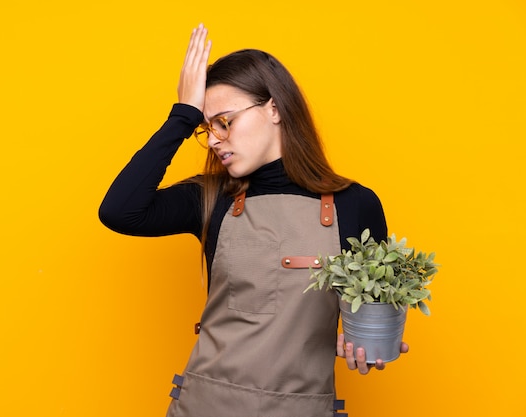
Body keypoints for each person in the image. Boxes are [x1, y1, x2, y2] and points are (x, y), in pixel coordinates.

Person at [99, 24, 408, 417]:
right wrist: (182, 114)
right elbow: (119, 210)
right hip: (203, 405)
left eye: (224, 121)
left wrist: (365, 343)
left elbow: (375, 315)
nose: (213, 139)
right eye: (205, 127)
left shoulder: (355, 205)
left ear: (274, 109)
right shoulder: (211, 198)